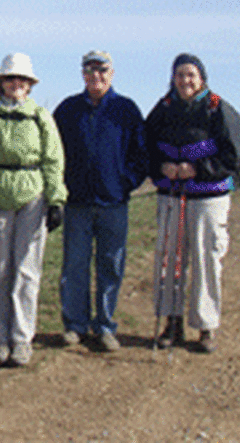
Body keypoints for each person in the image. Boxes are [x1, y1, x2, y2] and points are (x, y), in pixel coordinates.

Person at [0, 53, 67, 367]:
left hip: (31, 196)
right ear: (1, 83)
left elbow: (53, 160)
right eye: (10, 79)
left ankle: (22, 338)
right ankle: (1, 338)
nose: (16, 85)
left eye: (21, 80)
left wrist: (55, 200)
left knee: (26, 271)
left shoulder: (40, 116)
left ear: (29, 85)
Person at [146, 53, 240, 354]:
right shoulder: (162, 110)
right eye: (180, 75)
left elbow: (233, 158)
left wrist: (197, 169)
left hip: (208, 197)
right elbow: (146, 148)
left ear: (202, 78)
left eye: (191, 75)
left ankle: (205, 325)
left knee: (206, 259)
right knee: (170, 259)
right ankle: (171, 322)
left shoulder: (219, 110)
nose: (185, 81)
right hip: (172, 194)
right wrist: (161, 168)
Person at [52, 50, 149, 352]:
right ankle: (75, 325)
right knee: (75, 266)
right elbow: (54, 153)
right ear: (82, 74)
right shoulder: (68, 110)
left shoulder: (126, 109)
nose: (96, 76)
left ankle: (105, 325)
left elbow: (141, 154)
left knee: (111, 265)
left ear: (112, 72)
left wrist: (126, 184)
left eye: (102, 70)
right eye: (90, 70)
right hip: (77, 203)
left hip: (113, 203)